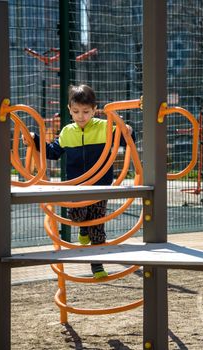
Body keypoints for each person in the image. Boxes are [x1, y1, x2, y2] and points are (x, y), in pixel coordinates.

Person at [28, 84, 134, 279]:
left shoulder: (104, 127)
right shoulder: (68, 132)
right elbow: (53, 152)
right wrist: (35, 140)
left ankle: (98, 266)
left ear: (95, 110)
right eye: (76, 111)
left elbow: (126, 140)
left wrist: (127, 130)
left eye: (86, 111)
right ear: (69, 110)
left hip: (100, 186)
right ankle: (83, 227)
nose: (81, 116)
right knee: (77, 216)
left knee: (97, 225)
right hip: (75, 186)